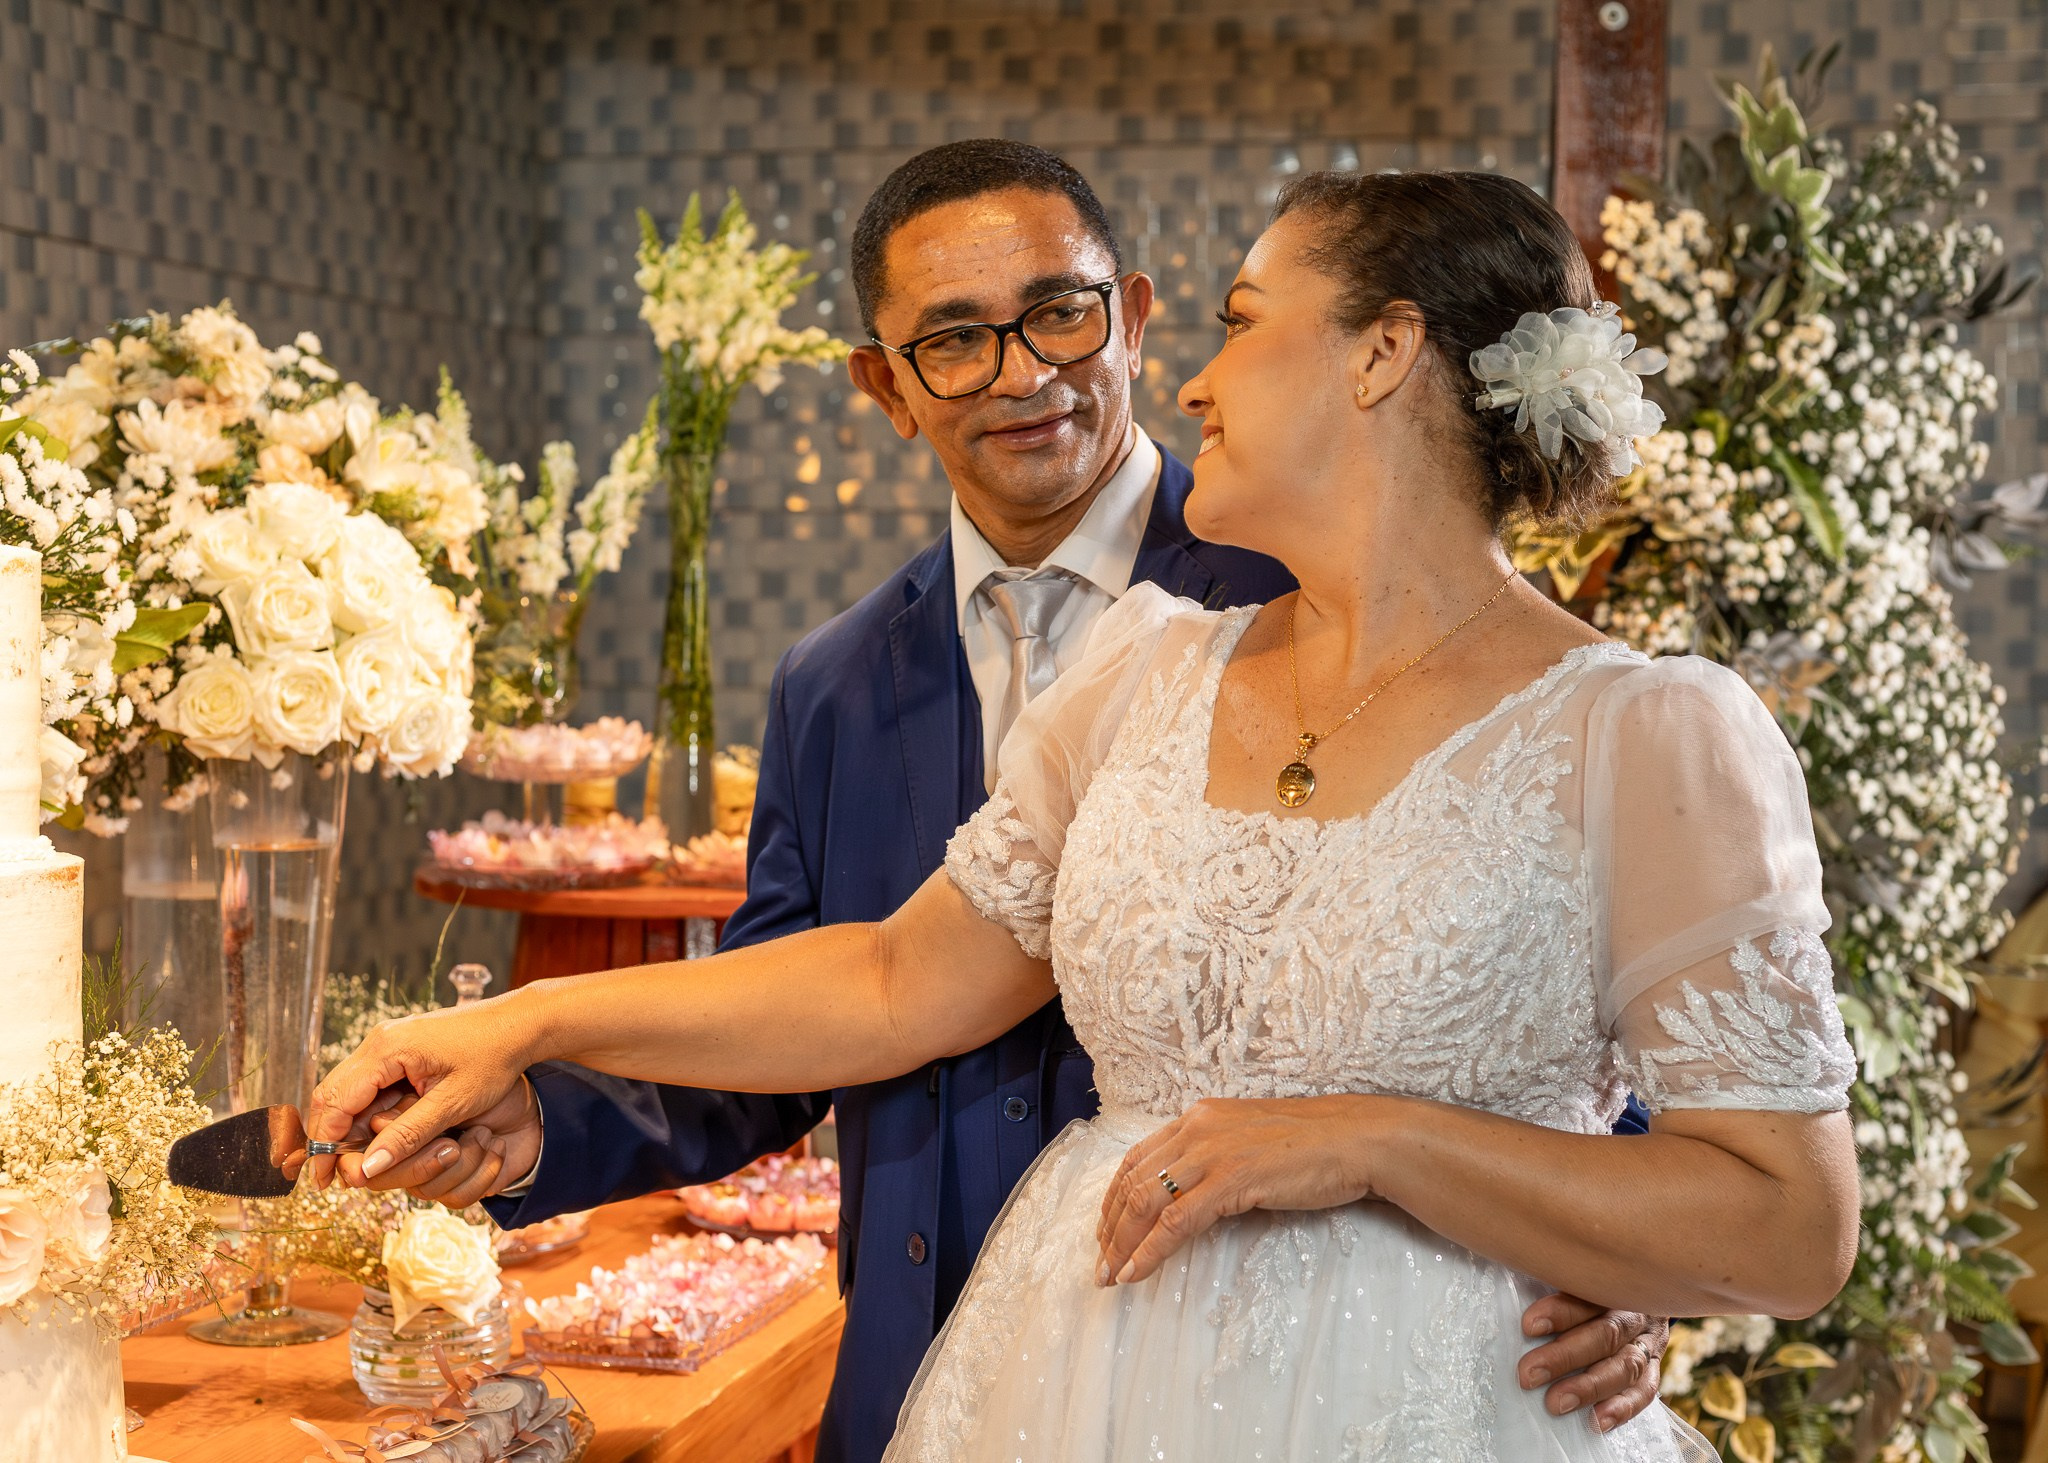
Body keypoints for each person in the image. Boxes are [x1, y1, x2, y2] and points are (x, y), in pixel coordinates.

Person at [306, 163, 1793, 1458]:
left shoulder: (1642, 729)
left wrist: (1439, 1171)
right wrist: (530, 1025)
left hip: (1430, 1397)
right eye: (953, 340)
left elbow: (1759, 1200)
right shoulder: (1143, 671)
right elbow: (889, 980)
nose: (1195, 381)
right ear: (887, 383)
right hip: (1072, 1383)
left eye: (1238, 321)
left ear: (1383, 354)